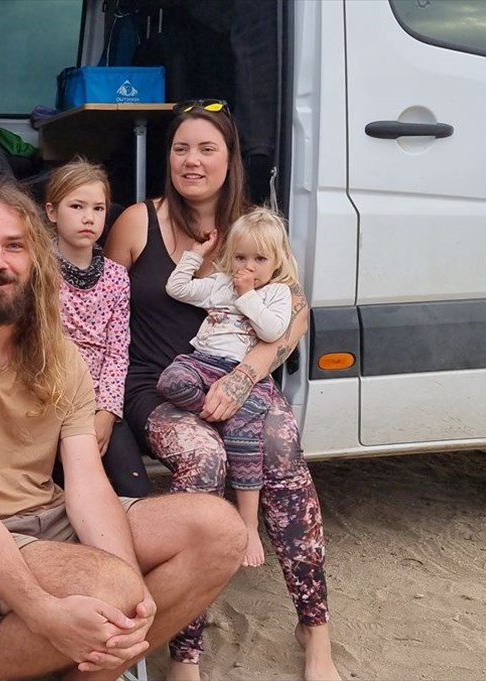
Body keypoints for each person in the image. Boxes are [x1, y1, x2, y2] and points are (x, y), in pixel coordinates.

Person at [0, 180, 247, 681]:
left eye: (14, 246)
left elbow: (87, 483)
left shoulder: (60, 356)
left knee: (220, 531)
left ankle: (91, 672)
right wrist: (44, 611)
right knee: (111, 586)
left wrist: (136, 597)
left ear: (36, 259)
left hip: (49, 519)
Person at [104, 102, 342, 681]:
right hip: (158, 386)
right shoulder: (138, 221)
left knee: (281, 441)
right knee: (204, 455)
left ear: (230, 159)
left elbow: (297, 310)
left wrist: (247, 374)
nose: (192, 160)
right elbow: (102, 315)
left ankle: (315, 628)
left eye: (207, 149)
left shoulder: (254, 229)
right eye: (181, 148)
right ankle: (185, 650)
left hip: (237, 380)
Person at [159, 207, 299, 567]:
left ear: (277, 261)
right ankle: (215, 412)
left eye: (259, 259)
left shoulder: (277, 293)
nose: (248, 266)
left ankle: (249, 524)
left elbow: (272, 331)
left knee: (244, 442)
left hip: (244, 373)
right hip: (203, 362)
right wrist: (196, 255)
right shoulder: (221, 282)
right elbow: (177, 288)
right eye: (240, 257)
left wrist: (247, 294)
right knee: (171, 380)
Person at [44, 159, 149, 497]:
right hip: (49, 403)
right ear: (52, 212)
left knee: (134, 486)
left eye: (98, 208)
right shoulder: (38, 272)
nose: (88, 217)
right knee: (63, 492)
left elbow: (118, 352)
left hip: (99, 402)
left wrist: (106, 412)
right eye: (77, 206)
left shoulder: (116, 277)